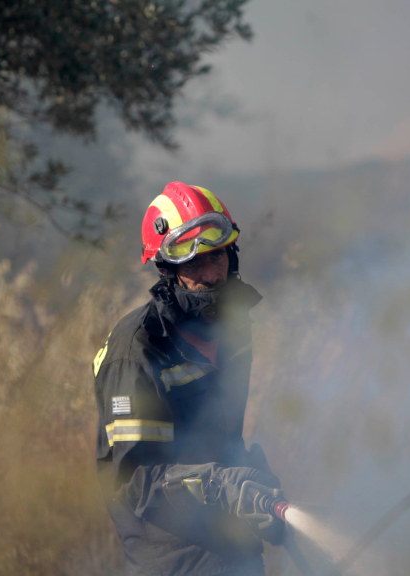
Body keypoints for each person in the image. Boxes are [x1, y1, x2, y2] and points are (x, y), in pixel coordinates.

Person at [93, 182, 284, 576]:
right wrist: (223, 487)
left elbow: (219, 439)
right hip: (172, 557)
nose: (211, 275)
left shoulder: (232, 331)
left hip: (232, 545)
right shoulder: (139, 350)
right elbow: (137, 480)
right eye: (194, 263)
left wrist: (254, 486)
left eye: (217, 257)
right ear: (167, 268)